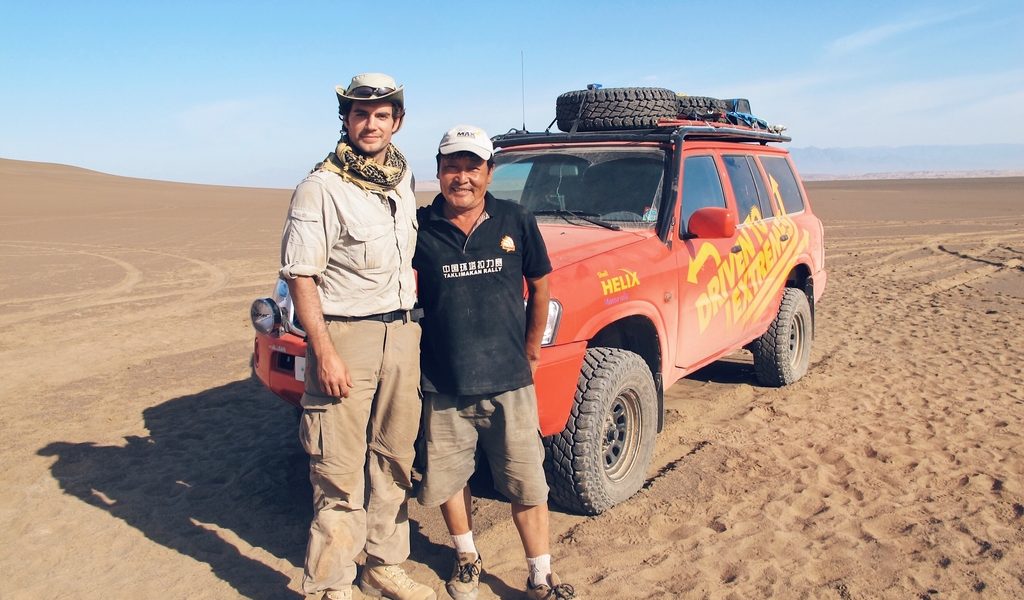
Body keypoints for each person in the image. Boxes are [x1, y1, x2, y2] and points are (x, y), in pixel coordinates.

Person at [279, 73, 435, 600]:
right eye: (360, 114)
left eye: (382, 115)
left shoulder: (401, 176)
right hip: (347, 337)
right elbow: (301, 276)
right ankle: (329, 586)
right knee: (339, 470)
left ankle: (382, 565)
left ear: (398, 121)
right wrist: (323, 351)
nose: (371, 124)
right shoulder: (320, 188)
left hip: (401, 332)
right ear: (346, 119)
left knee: (394, 457)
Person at [413, 125, 579, 600]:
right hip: (443, 381)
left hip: (508, 380)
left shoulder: (516, 220)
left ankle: (541, 573)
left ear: (488, 172)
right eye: (451, 167)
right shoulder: (420, 228)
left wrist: (531, 349)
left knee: (526, 481)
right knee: (449, 477)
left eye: (472, 167)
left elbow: (541, 285)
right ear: (439, 172)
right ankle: (466, 557)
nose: (461, 177)